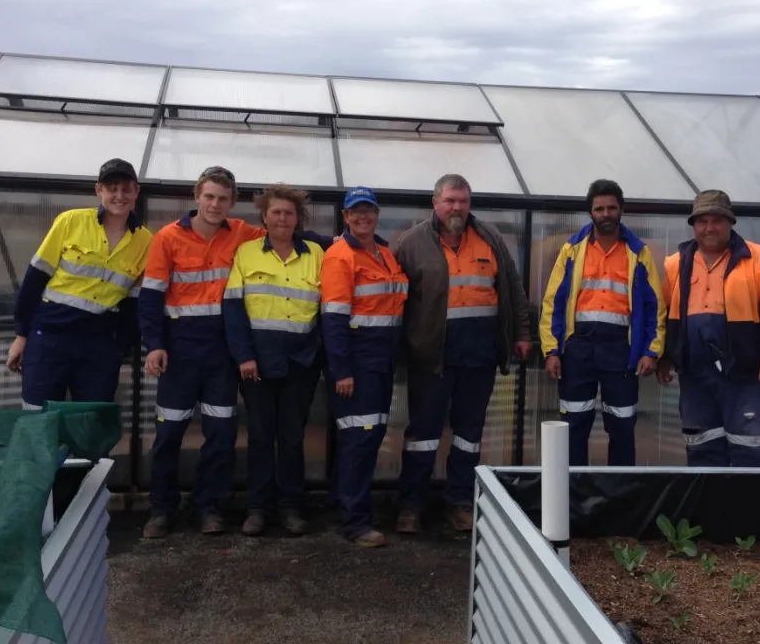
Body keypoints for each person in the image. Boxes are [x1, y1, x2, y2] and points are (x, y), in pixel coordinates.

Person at [392, 173, 532, 533]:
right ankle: (411, 504)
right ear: (435, 203)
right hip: (432, 358)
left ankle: (460, 503)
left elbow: (513, 288)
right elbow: (396, 299)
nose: (457, 207)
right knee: (423, 434)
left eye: (464, 201)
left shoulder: (490, 238)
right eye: (451, 200)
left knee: (469, 434)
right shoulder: (411, 243)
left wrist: (521, 333)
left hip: (479, 357)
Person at [137, 167, 261, 539]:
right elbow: (151, 297)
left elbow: (284, 234)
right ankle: (161, 509)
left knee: (220, 434)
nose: (215, 204)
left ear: (232, 202)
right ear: (196, 196)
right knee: (169, 433)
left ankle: (210, 507)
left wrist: (336, 238)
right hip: (179, 353)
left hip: (222, 355)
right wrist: (154, 344)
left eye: (223, 199)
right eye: (209, 196)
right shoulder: (168, 238)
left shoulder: (242, 233)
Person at [657, 190, 760, 467]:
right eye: (702, 221)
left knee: (750, 450)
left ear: (730, 222)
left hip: (744, 375)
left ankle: (747, 510)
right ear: (694, 225)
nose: (709, 228)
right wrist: (665, 357)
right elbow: (665, 315)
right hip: (695, 376)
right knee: (702, 449)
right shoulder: (676, 264)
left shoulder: (759, 260)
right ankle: (708, 509)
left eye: (716, 220)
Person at [6, 158, 152, 410]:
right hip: (51, 335)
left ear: (136, 192)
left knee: (90, 421)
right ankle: (42, 452)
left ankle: (86, 453)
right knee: (38, 415)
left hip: (100, 343)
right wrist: (21, 335)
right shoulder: (70, 221)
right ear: (98, 190)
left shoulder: (146, 241)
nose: (119, 196)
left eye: (126, 189)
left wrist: (119, 347)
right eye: (111, 188)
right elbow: (35, 279)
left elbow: (134, 303)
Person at [538, 180, 665, 466]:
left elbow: (655, 306)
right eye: (599, 209)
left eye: (611, 208)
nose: (605, 214)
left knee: (622, 427)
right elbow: (552, 304)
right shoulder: (571, 250)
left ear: (621, 210)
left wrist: (650, 351)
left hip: (622, 351)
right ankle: (573, 498)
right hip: (577, 350)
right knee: (572, 428)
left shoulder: (639, 253)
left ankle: (619, 498)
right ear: (590, 212)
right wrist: (551, 350)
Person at [224, 184, 325, 537]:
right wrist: (245, 357)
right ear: (264, 217)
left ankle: (291, 507)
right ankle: (258, 508)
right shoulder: (246, 253)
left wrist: (317, 350)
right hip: (259, 364)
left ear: (299, 219)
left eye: (289, 213)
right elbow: (233, 309)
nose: (282, 218)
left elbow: (329, 307)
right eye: (276, 212)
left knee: (294, 437)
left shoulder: (317, 253)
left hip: (301, 363)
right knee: (262, 436)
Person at [320, 187, 409, 548]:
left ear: (377, 214)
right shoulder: (340, 256)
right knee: (359, 439)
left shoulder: (385, 253)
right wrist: (341, 370)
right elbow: (333, 319)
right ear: (345, 216)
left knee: (368, 437)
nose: (362, 217)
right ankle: (354, 522)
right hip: (356, 362)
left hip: (382, 361)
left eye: (368, 211)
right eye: (355, 212)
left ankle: (345, 506)